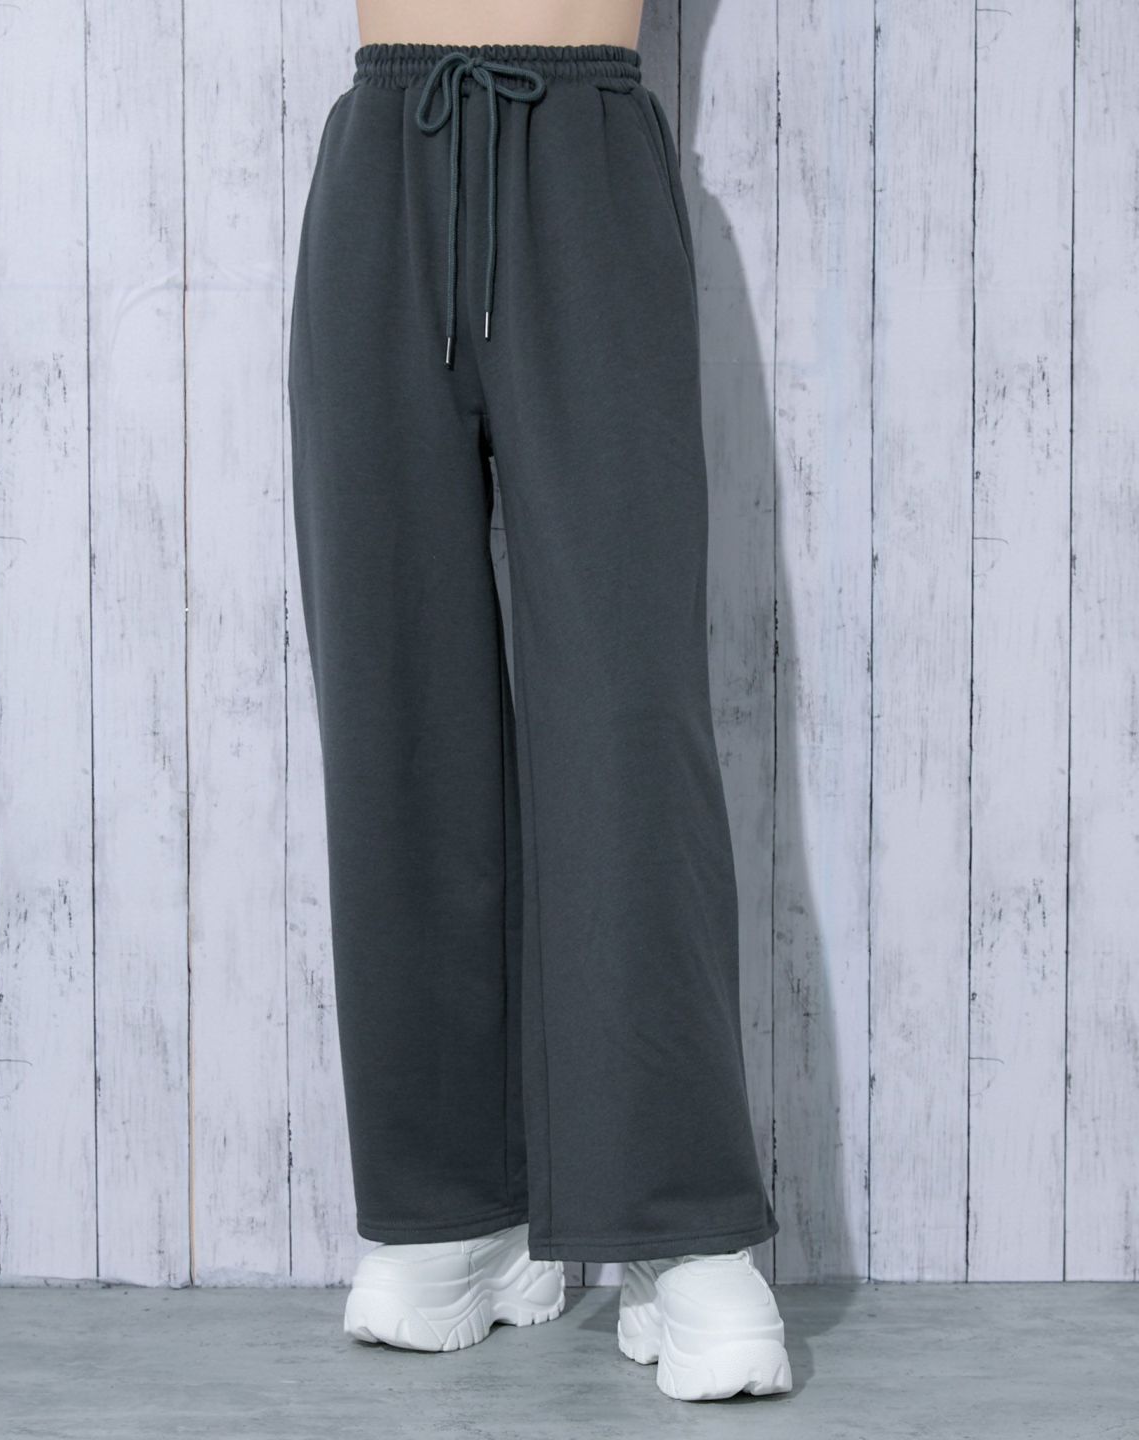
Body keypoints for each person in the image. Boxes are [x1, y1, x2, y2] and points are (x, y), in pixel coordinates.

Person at [287, 0, 793, 1403]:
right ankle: (450, 1209)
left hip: (588, 157)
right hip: (383, 161)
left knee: (628, 717)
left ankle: (678, 1225)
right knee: (393, 705)